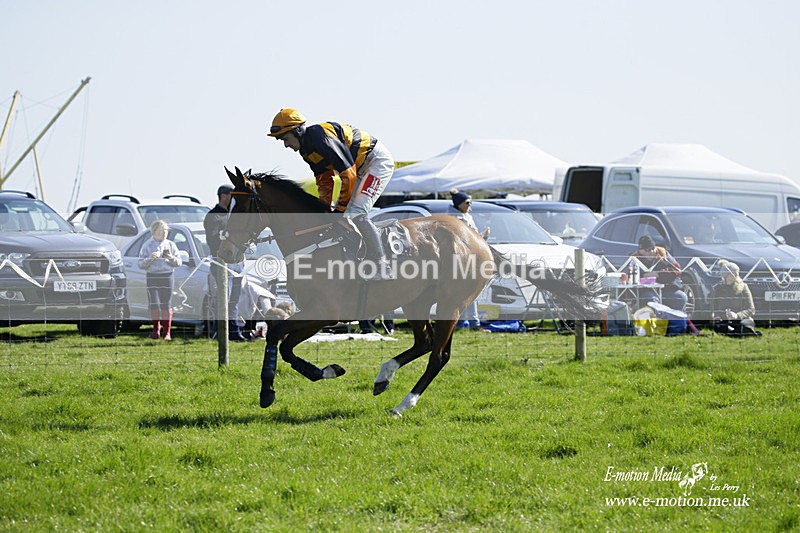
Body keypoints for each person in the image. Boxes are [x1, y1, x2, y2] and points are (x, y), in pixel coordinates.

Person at [268, 108, 395, 279]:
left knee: (356, 213)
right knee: (342, 218)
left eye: (285, 139)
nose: (285, 145)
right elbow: (325, 180)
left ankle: (383, 266)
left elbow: (347, 174)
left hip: (375, 163)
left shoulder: (319, 138)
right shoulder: (306, 150)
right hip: (359, 168)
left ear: (297, 130)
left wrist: (340, 208)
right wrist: (324, 209)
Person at [204, 184, 250, 341]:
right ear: (223, 196)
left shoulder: (233, 216)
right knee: (223, 299)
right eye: (231, 196)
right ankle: (220, 330)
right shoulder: (213, 216)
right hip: (222, 263)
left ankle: (234, 330)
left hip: (237, 262)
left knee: (234, 299)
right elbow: (213, 240)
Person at [451, 189, 489, 330]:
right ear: (459, 204)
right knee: (462, 292)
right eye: (467, 202)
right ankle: (465, 322)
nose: (470, 205)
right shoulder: (456, 218)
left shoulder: (466, 216)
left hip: (471, 257)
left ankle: (471, 322)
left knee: (469, 291)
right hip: (461, 259)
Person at [138, 219, 182, 340]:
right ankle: (156, 329)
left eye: (165, 231)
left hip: (167, 276)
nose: (163, 234)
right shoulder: (147, 245)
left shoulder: (171, 245)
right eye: (160, 231)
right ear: (153, 232)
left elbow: (179, 262)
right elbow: (141, 264)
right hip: (152, 276)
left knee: (166, 304)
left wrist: (170, 258)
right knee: (154, 303)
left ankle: (167, 332)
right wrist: (150, 259)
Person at [630, 235, 688, 312]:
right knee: (651, 299)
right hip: (646, 290)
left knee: (681, 297)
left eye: (652, 248)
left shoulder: (662, 253)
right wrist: (644, 276)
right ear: (640, 250)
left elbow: (676, 269)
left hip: (666, 289)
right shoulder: (634, 258)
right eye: (647, 250)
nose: (651, 252)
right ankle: (656, 321)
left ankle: (673, 320)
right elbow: (630, 276)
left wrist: (658, 274)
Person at [711, 260, 758, 336]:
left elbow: (751, 309)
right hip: (724, 319)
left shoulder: (743, 287)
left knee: (744, 325)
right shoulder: (717, 288)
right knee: (719, 327)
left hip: (742, 318)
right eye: (733, 272)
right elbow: (714, 308)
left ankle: (738, 331)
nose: (737, 274)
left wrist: (737, 315)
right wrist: (718, 316)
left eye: (738, 272)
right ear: (726, 275)